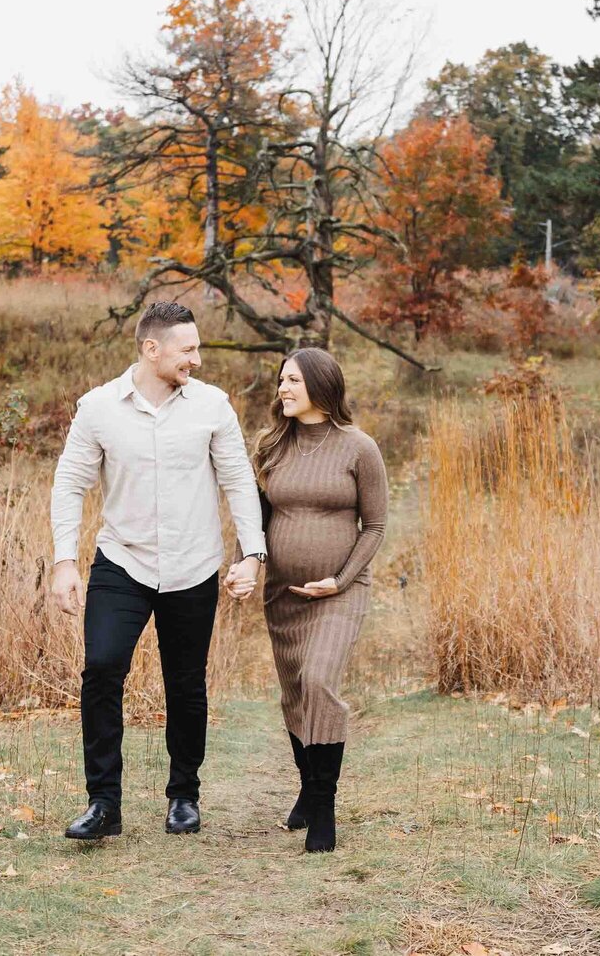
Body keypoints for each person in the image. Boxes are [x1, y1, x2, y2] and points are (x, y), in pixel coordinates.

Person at [48, 301, 265, 840]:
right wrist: (64, 561)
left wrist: (252, 555)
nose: (196, 357)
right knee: (101, 669)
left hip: (194, 564)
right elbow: (70, 483)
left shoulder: (212, 405)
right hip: (123, 560)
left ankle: (183, 796)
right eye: (188, 348)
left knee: (186, 684)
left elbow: (238, 481)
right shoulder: (98, 407)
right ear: (153, 349)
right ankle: (103, 804)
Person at [252, 347, 387, 853]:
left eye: (292, 381)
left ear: (321, 387)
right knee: (293, 693)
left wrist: (341, 579)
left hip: (340, 593)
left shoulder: (359, 448)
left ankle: (324, 808)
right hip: (283, 595)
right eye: (280, 380)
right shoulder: (271, 447)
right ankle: (307, 788)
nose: (282, 389)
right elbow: (257, 521)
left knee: (319, 681)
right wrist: (251, 564)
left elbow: (374, 527)